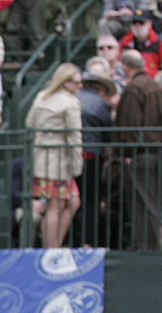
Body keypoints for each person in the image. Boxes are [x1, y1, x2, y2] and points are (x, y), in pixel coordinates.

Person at [25, 62, 83, 249]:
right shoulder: (70, 103)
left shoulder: (43, 96)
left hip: (42, 157)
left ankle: (52, 245)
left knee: (71, 201)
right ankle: (51, 248)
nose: (80, 86)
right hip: (59, 160)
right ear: (66, 82)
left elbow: (29, 122)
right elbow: (75, 136)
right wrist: (76, 166)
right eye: (76, 82)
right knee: (55, 207)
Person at [114, 48, 162, 250]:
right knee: (153, 203)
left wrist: (126, 153)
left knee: (142, 205)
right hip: (156, 152)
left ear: (126, 66)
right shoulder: (155, 86)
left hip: (139, 154)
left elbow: (129, 124)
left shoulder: (134, 88)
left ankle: (146, 250)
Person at [75, 72, 116, 246]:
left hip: (72, 155)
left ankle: (71, 241)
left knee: (71, 201)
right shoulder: (101, 104)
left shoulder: (72, 98)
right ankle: (87, 242)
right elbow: (109, 133)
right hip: (92, 155)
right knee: (91, 201)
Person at [119, 10, 161, 77]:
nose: (138, 26)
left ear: (149, 24)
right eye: (134, 23)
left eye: (141, 22)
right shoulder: (124, 43)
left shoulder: (159, 43)